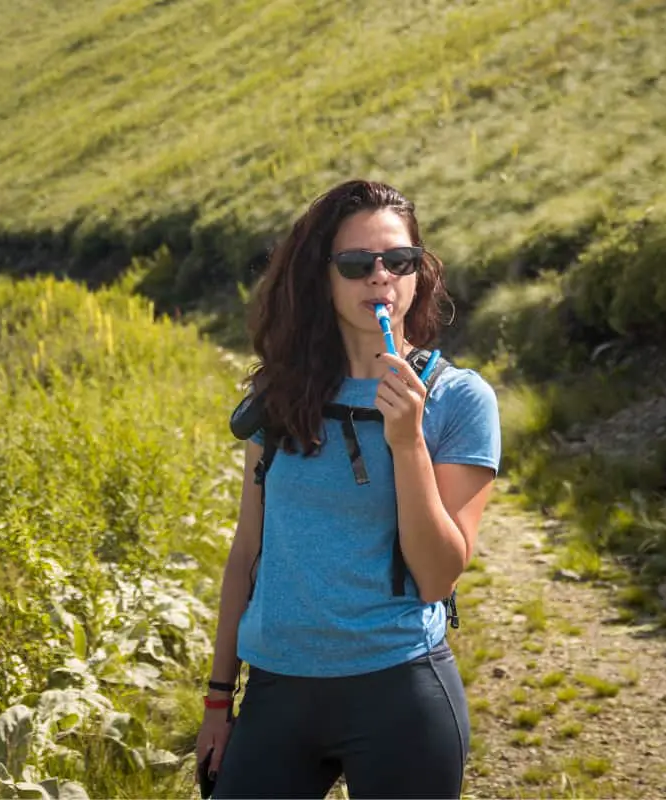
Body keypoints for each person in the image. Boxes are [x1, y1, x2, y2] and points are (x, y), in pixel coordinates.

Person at [195, 179, 501, 799]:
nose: (380, 277)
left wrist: (408, 440)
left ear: (419, 273)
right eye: (357, 264)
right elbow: (247, 554)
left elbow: (439, 576)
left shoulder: (458, 399)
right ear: (322, 278)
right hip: (276, 688)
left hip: (399, 689)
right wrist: (217, 699)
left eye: (399, 261)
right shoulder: (277, 396)